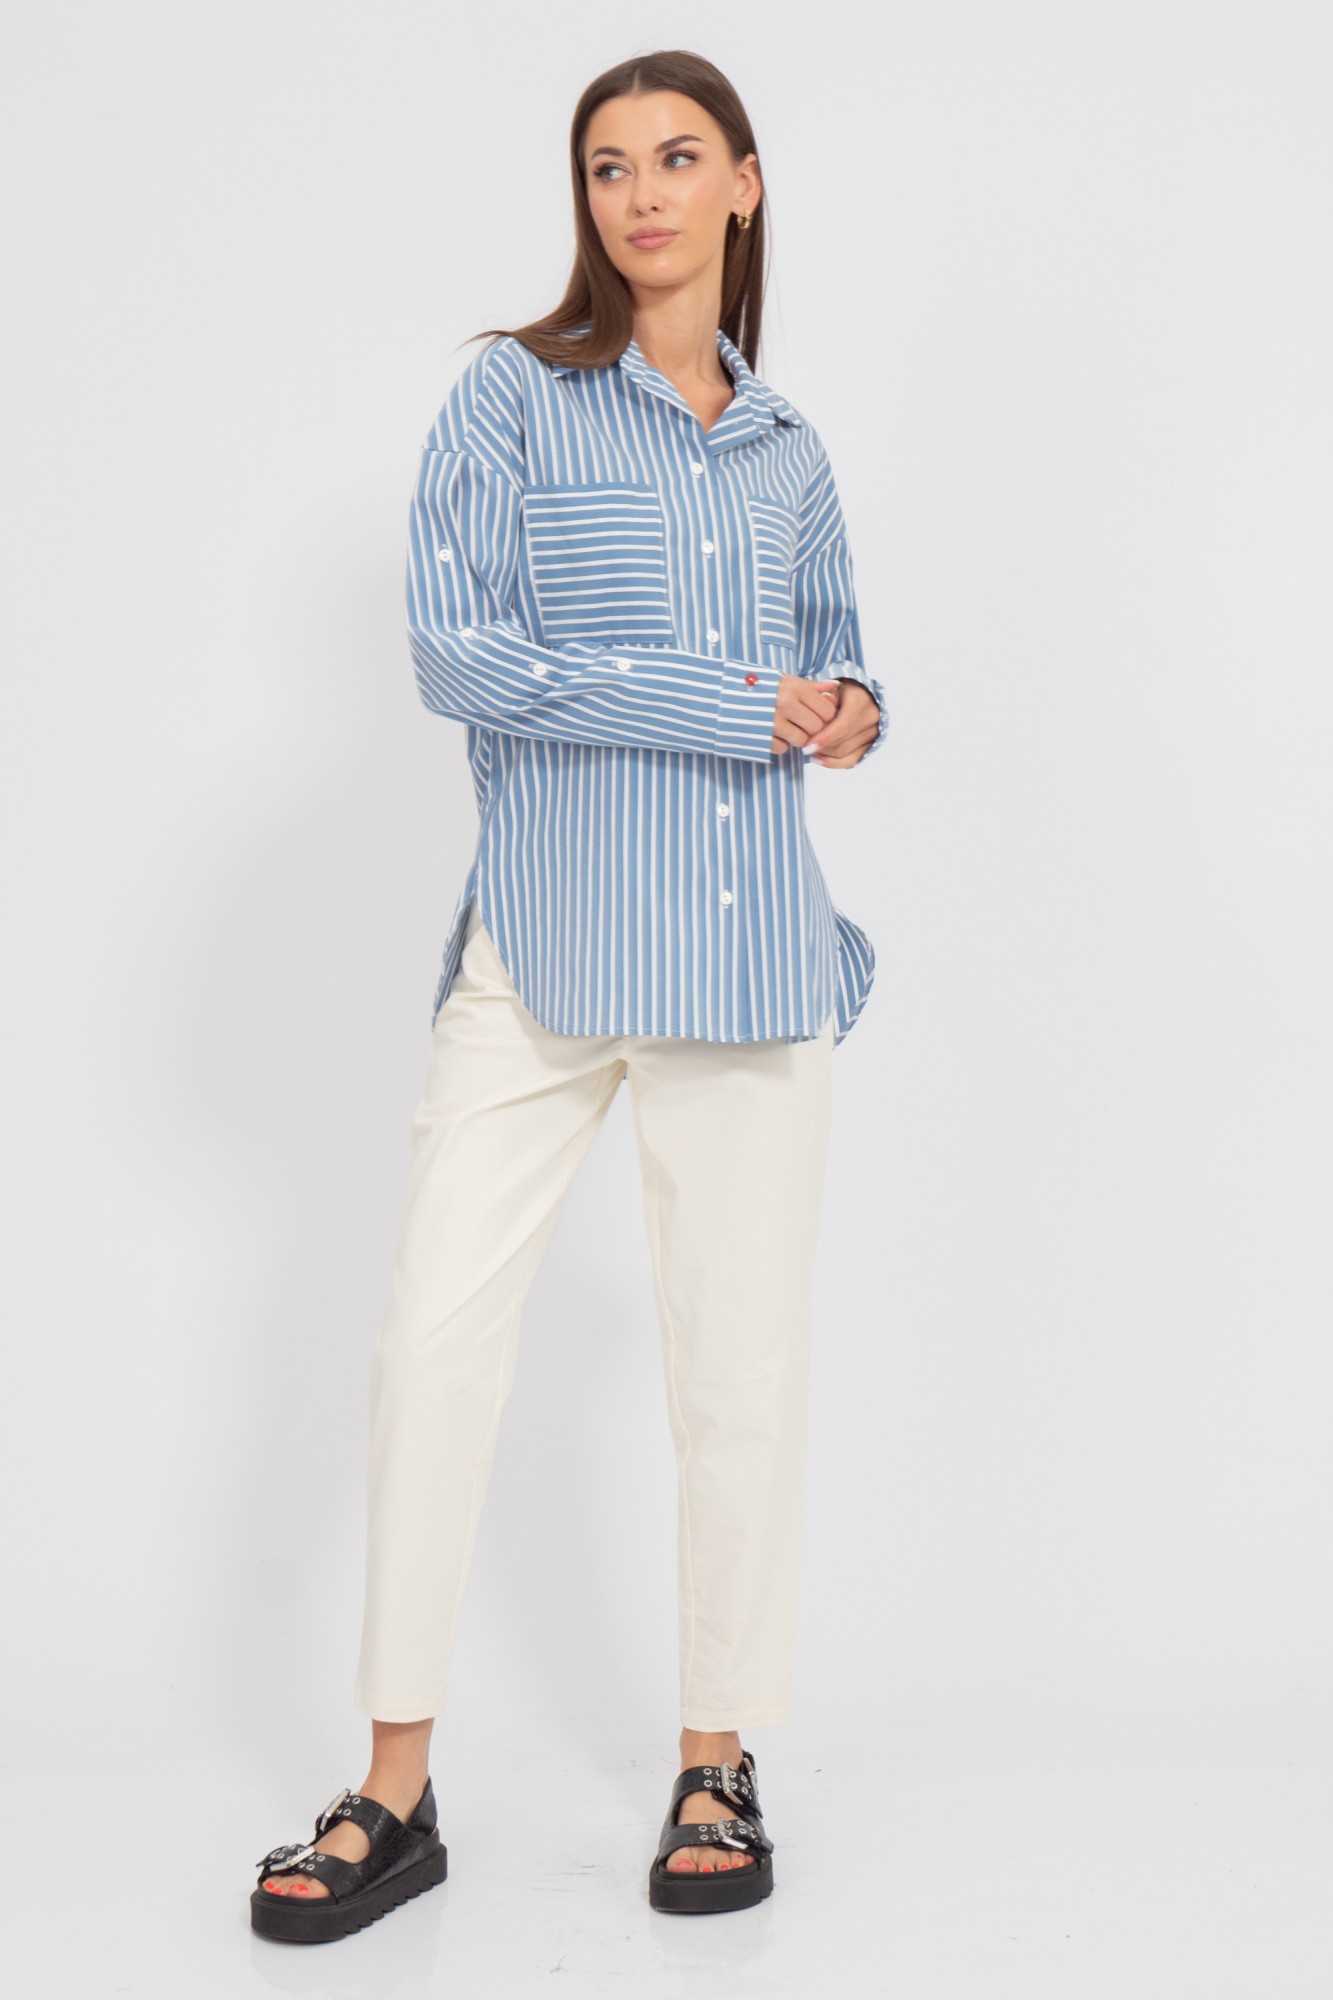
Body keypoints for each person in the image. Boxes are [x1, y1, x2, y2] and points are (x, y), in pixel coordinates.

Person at [249, 46, 887, 1942]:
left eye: (678, 158)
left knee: (736, 1378)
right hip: (541, 951)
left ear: (744, 184)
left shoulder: (788, 447)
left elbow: (837, 653)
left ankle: (716, 1760)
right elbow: (458, 657)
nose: (642, 195)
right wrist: (723, 703)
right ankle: (392, 1786)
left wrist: (852, 709)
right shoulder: (510, 397)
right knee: (431, 1349)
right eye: (609, 166)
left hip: (746, 954)